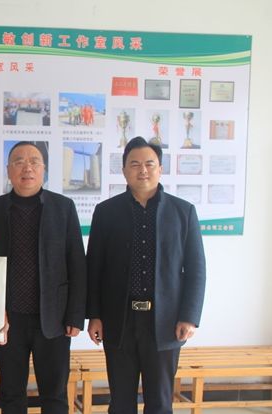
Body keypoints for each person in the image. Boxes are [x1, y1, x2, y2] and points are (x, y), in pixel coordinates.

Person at [86, 136, 206, 414]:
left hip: (165, 322)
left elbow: (196, 269)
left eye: (149, 164)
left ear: (160, 168)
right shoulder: (106, 212)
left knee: (160, 402)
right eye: (134, 164)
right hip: (119, 320)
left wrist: (189, 316)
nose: (143, 170)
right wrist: (94, 315)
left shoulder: (183, 212)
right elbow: (94, 267)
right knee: (120, 402)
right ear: (124, 170)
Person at [0, 141, 87, 414]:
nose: (27, 167)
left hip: (54, 319)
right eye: (19, 161)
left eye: (34, 162)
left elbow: (77, 264)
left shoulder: (63, 207)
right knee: (11, 394)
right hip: (7, 320)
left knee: (55, 395)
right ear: (8, 170)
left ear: (44, 169)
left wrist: (75, 316)